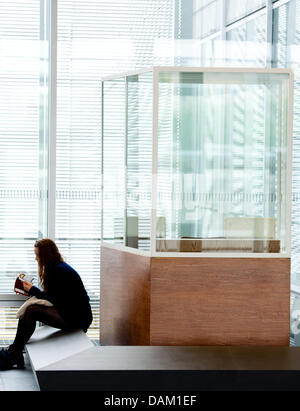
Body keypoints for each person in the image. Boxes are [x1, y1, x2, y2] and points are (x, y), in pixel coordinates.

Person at [0, 238, 93, 370]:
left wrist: (32, 290)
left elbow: (55, 299)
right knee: (31, 310)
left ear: (45, 255)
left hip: (77, 319)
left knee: (31, 310)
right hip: (70, 312)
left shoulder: (59, 271)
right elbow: (56, 298)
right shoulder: (57, 268)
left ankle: (15, 351)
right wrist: (32, 291)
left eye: (37, 255)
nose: (35, 258)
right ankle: (15, 350)